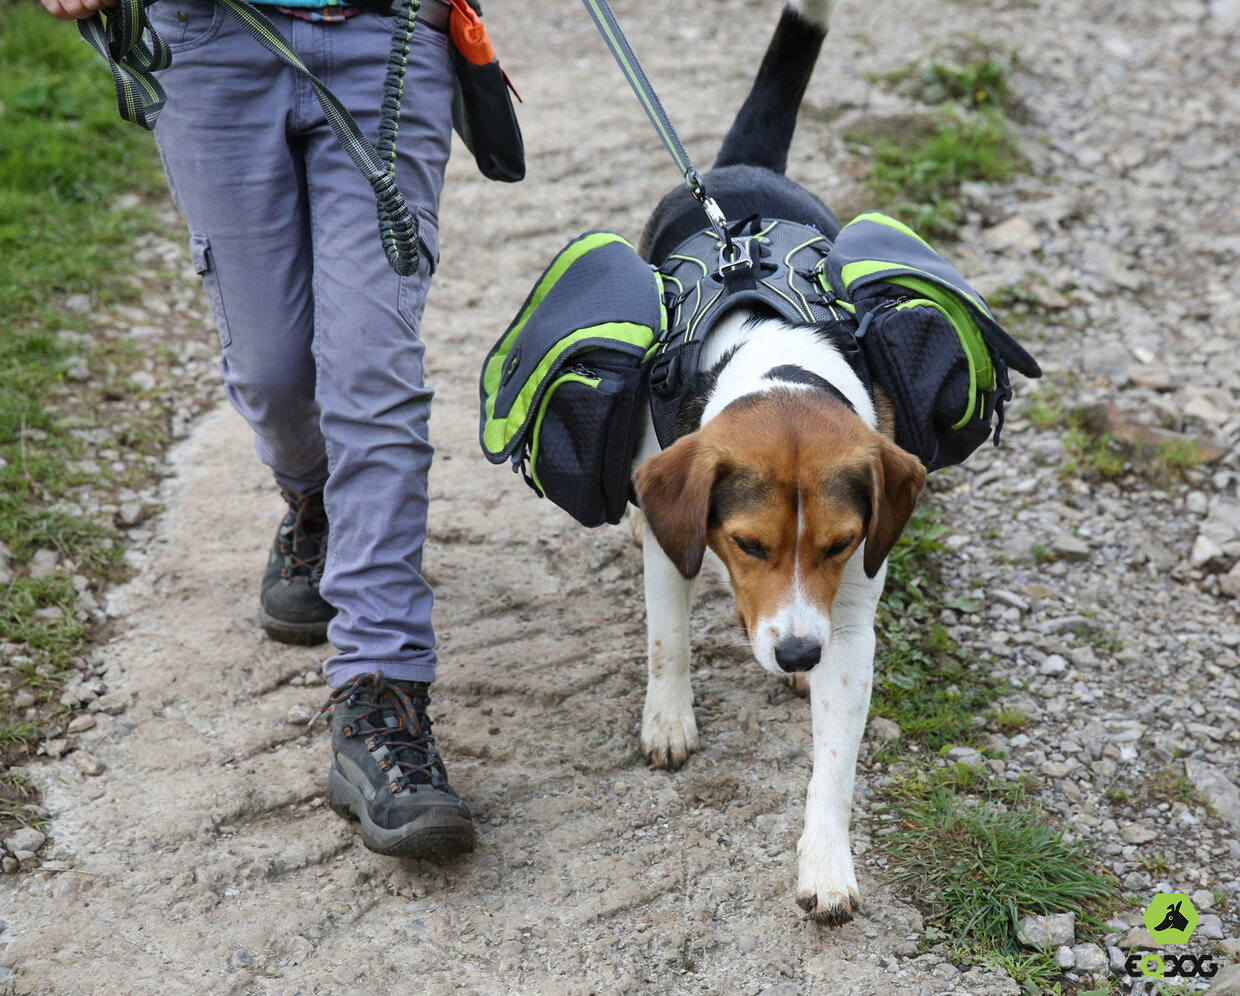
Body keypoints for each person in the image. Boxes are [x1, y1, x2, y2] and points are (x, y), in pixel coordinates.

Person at [41, 0, 475, 855]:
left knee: (371, 373)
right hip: (210, 41)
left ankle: (381, 694)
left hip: (386, 34)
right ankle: (314, 502)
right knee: (274, 373)